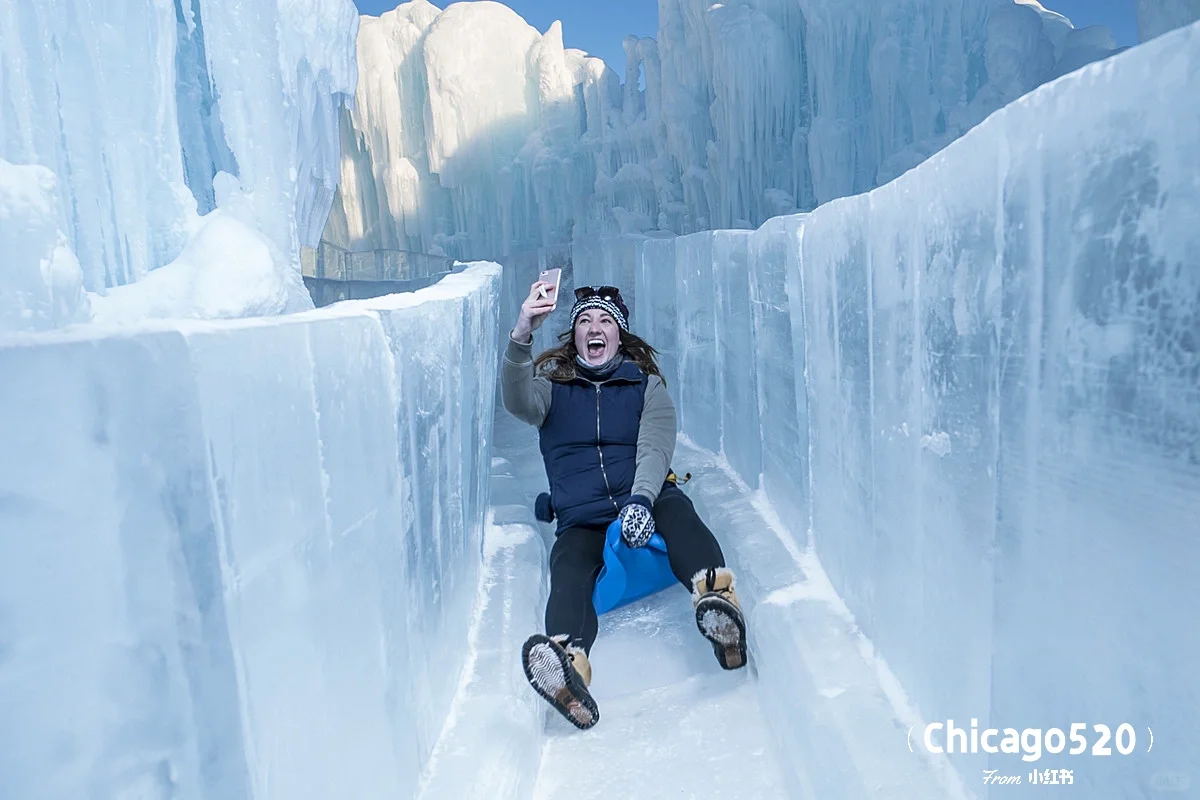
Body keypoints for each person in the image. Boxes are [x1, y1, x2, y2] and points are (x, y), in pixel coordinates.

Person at [500, 280, 747, 731]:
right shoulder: (551, 388)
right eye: (585, 321)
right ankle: (568, 663)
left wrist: (642, 500)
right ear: (574, 336)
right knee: (569, 564)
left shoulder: (645, 386)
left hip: (645, 497)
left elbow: (655, 448)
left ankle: (716, 602)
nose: (595, 328)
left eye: (605, 320)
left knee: (679, 512)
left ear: (620, 333)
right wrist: (521, 333)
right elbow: (516, 401)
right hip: (582, 518)